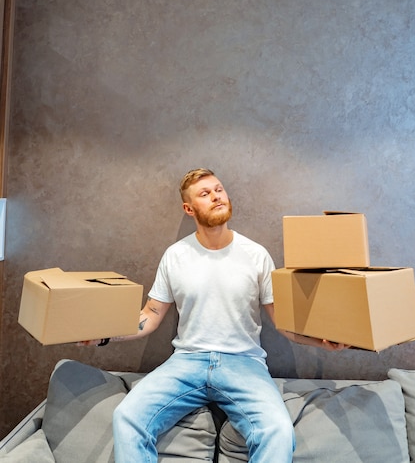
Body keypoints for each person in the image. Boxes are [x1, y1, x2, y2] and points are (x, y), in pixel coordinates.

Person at [81, 168, 347, 463]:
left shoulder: (256, 254)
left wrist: (323, 342)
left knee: (278, 431)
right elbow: (150, 316)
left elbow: (283, 321)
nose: (216, 196)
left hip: (243, 363)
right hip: (186, 362)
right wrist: (104, 334)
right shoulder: (175, 256)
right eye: (205, 194)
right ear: (189, 208)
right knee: (127, 417)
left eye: (219, 189)